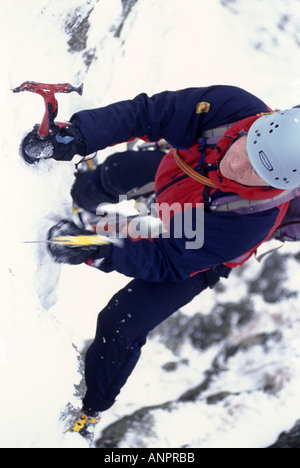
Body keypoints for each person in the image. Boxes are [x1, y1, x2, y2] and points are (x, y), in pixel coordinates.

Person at [25, 85, 300, 434]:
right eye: (248, 148)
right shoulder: (233, 107)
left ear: (276, 185)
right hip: (184, 171)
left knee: (120, 323)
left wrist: (99, 248)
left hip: (200, 237)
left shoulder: (251, 221)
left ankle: (90, 409)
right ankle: (80, 196)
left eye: (253, 172)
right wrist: (79, 136)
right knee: (113, 174)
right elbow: (149, 114)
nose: (236, 164)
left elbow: (168, 257)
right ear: (259, 124)